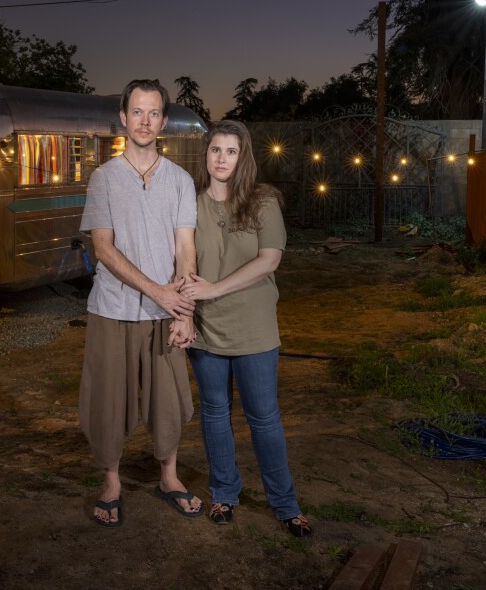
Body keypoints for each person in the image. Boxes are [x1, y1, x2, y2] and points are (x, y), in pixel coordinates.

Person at [78, 78, 204, 527]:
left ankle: (168, 476)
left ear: (163, 121)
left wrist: (184, 309)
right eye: (137, 112)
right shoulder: (104, 179)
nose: (145, 121)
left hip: (166, 313)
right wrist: (160, 293)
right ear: (123, 118)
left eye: (153, 113)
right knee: (108, 400)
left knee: (169, 402)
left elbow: (185, 248)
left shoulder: (181, 181)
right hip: (112, 310)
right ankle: (111, 481)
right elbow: (104, 249)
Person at [179, 120, 312, 537]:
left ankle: (285, 504)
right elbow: (184, 257)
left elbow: (269, 259)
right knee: (215, 414)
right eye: (215, 150)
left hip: (254, 328)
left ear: (244, 157)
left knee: (264, 417)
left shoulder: (263, 202)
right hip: (207, 330)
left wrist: (215, 287)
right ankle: (223, 494)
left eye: (231, 151)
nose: (221, 159)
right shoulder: (191, 203)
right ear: (206, 155)